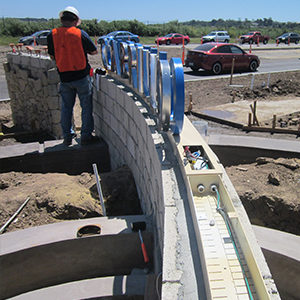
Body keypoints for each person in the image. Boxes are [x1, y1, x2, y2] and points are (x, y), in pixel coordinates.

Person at [47, 6, 98, 146]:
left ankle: (67, 137)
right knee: (86, 107)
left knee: (66, 108)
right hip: (81, 76)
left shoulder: (52, 35)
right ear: (75, 20)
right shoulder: (79, 34)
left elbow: (52, 56)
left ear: (62, 19)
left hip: (64, 78)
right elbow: (94, 52)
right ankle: (86, 136)